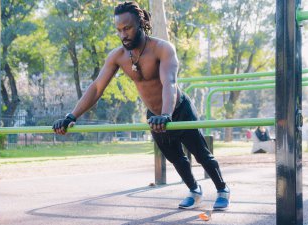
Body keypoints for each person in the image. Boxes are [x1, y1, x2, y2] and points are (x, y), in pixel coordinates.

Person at [52, 1, 230, 211]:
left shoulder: (162, 49)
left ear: (141, 23)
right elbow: (96, 87)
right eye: (119, 30)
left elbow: (169, 83)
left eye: (127, 28)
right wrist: (71, 116)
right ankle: (194, 190)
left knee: (201, 155)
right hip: (155, 115)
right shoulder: (117, 56)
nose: (123, 34)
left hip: (178, 110)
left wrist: (166, 114)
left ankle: (222, 189)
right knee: (175, 158)